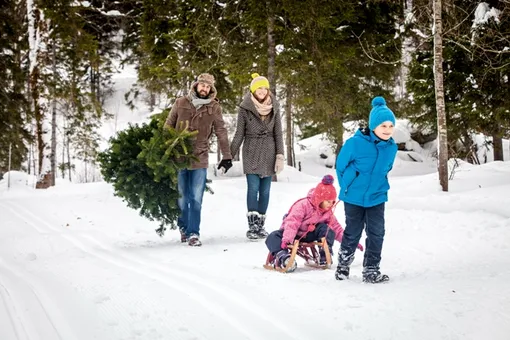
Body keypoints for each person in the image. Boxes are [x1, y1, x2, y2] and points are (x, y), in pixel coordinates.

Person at [335, 96, 398, 283]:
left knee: (377, 233)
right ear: (373, 126)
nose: (387, 130)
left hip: (377, 196)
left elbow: (387, 169)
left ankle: (371, 269)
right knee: (353, 231)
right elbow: (340, 166)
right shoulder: (355, 143)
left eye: (390, 126)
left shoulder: (391, 148)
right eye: (383, 126)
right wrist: (347, 185)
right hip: (353, 196)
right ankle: (343, 265)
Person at [165, 73, 232, 246]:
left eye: (208, 86)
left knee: (196, 197)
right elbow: (168, 125)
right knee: (181, 197)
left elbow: (221, 131)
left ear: (211, 89)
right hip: (179, 155)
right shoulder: (180, 103)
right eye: (202, 85)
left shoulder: (214, 107)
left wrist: (227, 156)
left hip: (200, 157)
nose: (204, 88)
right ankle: (183, 227)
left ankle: (194, 233)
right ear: (196, 86)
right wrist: (164, 150)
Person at [265, 175, 363, 272]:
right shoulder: (303, 205)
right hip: (292, 234)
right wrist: (287, 239)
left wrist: (351, 242)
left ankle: (324, 252)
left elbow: (337, 229)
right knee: (273, 236)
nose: (331, 204)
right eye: (328, 201)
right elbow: (292, 222)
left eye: (333, 201)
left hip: (309, 235)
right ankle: (283, 257)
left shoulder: (327, 212)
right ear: (320, 199)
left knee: (326, 229)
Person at [230, 73, 284, 240]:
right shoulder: (245, 108)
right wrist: (229, 155)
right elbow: (239, 133)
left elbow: (278, 134)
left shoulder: (274, 107)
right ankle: (252, 226)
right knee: (253, 188)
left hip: (269, 151)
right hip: (251, 151)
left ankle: (261, 225)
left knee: (265, 190)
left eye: (264, 88)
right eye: (258, 88)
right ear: (253, 91)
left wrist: (280, 155)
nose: (262, 91)